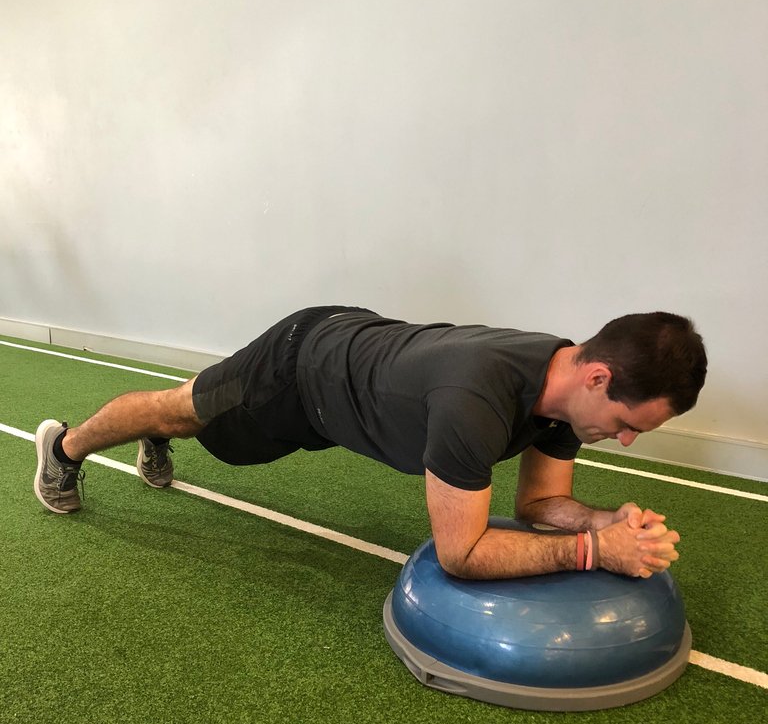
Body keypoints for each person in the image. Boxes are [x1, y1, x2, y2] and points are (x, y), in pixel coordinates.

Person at [33, 305, 706, 580]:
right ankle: (63, 452)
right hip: (300, 368)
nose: (621, 442)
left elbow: (539, 505)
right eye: (628, 425)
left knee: (215, 433)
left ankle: (158, 429)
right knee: (185, 413)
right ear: (598, 375)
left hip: (351, 373)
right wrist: (593, 553)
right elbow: (460, 553)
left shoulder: (565, 395)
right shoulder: (476, 402)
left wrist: (603, 520)